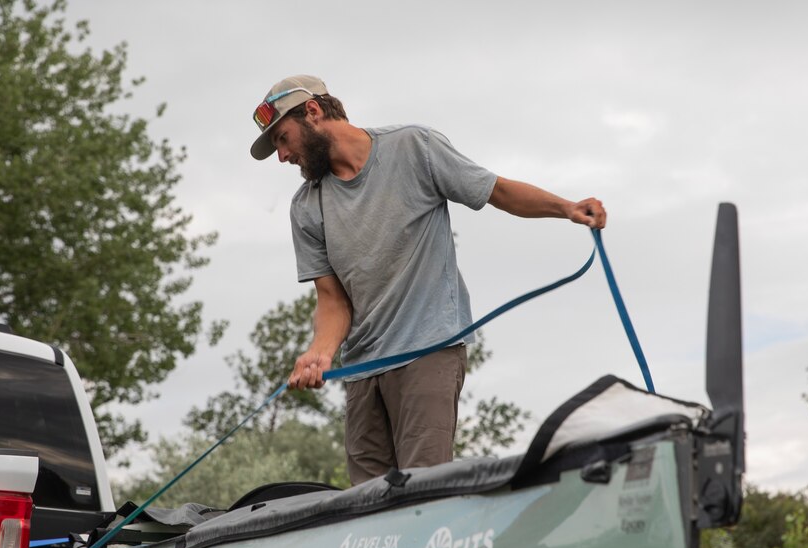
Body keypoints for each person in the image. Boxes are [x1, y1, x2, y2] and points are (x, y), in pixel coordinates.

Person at [250, 74, 606, 486]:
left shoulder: (413, 147)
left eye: (282, 138)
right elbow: (332, 301)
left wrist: (566, 208)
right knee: (365, 507)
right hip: (362, 370)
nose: (282, 156)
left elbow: (498, 192)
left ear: (312, 111)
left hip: (428, 350)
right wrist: (319, 352)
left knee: (422, 494)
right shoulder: (306, 206)